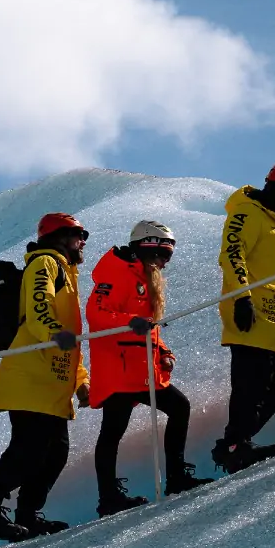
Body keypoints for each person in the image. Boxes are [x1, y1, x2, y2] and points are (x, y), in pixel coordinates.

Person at [0, 213, 91, 544]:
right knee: (29, 449)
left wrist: (80, 381)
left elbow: (71, 340)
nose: (83, 242)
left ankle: (27, 515)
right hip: (32, 373)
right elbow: (39, 305)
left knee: (54, 452)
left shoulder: (65, 270)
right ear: (61, 236)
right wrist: (52, 331)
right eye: (79, 235)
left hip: (52, 377)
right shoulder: (45, 262)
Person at [86, 220, 212, 514]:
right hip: (119, 367)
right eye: (162, 255)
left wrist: (163, 351)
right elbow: (97, 312)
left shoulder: (142, 274)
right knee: (114, 430)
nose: (165, 263)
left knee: (174, 409)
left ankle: (173, 477)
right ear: (147, 248)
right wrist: (129, 322)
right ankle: (111, 497)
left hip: (140, 366)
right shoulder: (116, 273)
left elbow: (149, 327)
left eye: (168, 256)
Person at [213, 160, 275, 474]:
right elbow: (232, 253)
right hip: (250, 315)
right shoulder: (248, 212)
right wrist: (242, 297)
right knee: (249, 386)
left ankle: (233, 444)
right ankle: (237, 445)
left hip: (274, 321)